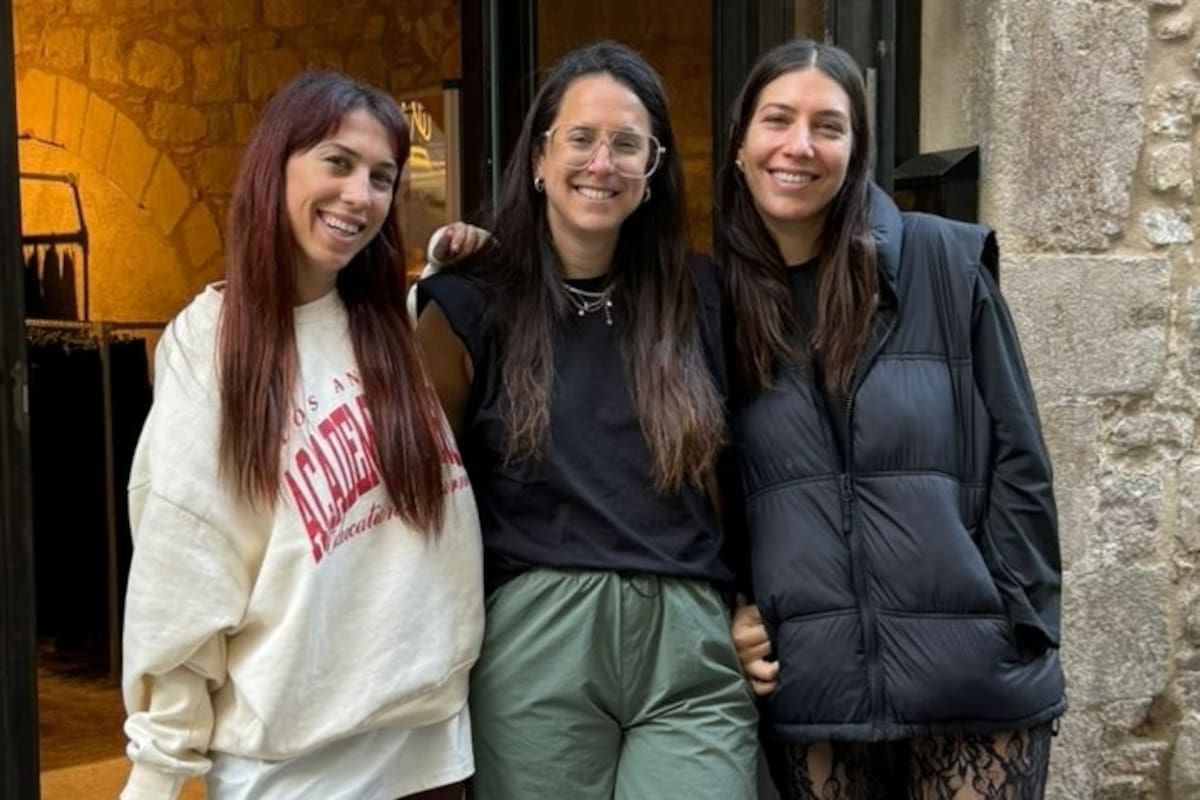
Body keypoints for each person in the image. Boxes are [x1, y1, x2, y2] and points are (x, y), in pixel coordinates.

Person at [119, 71, 484, 800]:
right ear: (276, 164)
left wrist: (452, 278)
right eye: (337, 163)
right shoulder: (214, 344)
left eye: (381, 177)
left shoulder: (388, 328)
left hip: (429, 754)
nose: (360, 195)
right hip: (295, 772)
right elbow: (188, 558)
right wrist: (158, 768)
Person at [720, 40, 1065, 799]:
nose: (800, 146)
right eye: (777, 120)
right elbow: (707, 495)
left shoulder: (945, 261)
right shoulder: (713, 306)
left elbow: (1020, 457)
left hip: (974, 678)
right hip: (816, 686)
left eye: (828, 126)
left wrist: (1022, 621)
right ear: (740, 142)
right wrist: (731, 613)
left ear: (857, 151)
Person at [414, 41, 758, 799]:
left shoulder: (699, 297)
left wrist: (748, 599)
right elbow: (421, 502)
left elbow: (742, 472)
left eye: (627, 144)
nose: (602, 163)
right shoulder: (468, 305)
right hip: (538, 641)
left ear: (652, 170)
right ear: (540, 158)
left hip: (688, 647)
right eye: (580, 138)